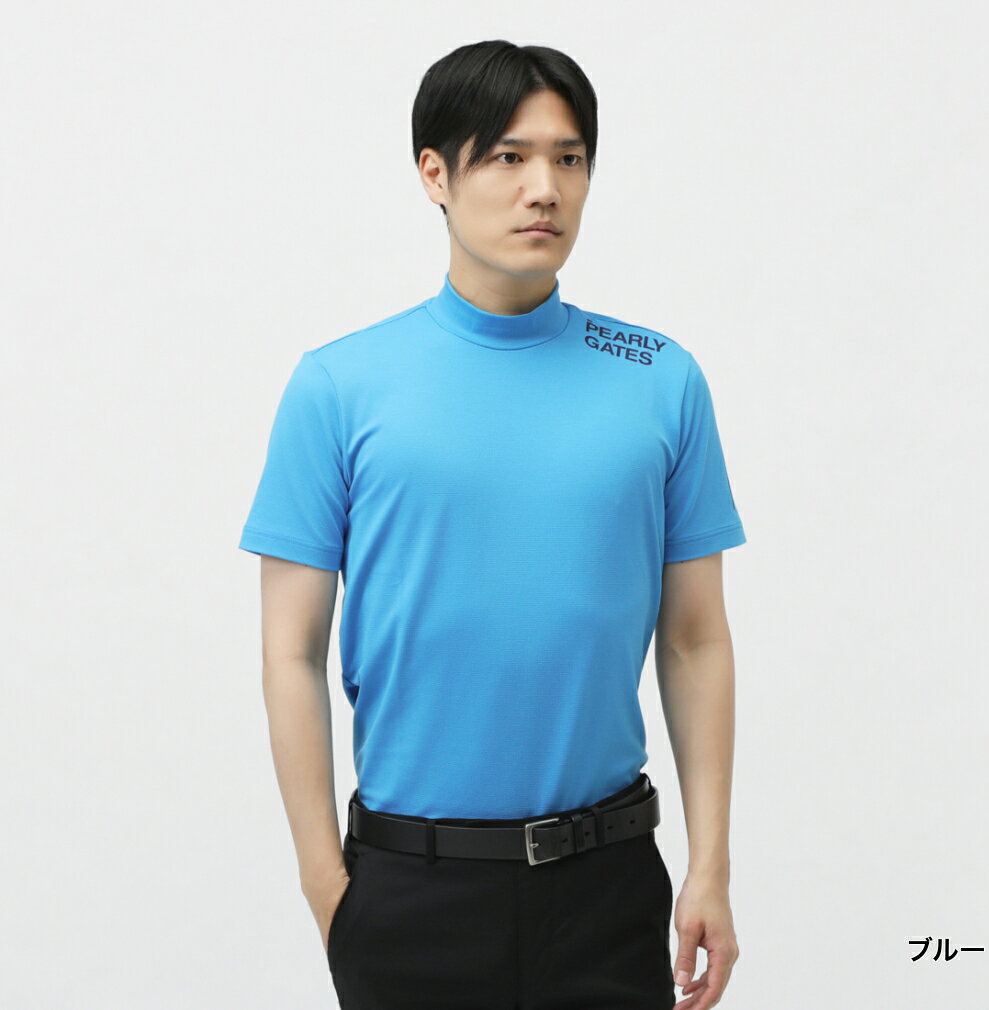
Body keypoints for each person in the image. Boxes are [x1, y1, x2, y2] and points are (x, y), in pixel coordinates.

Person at [238, 38, 744, 1010]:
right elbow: (289, 652)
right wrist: (327, 888)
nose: (543, 189)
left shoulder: (659, 377)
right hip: (410, 892)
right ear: (434, 173)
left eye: (568, 158)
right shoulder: (338, 386)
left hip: (609, 887)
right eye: (508, 156)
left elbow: (694, 637)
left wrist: (710, 867)